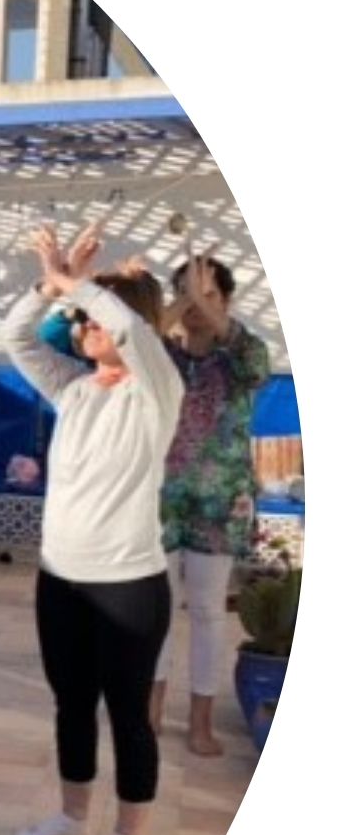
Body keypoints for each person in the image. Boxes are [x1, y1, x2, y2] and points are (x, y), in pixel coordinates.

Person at [4, 221, 184, 835]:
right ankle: (72, 816)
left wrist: (81, 282)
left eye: (90, 318)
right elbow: (16, 339)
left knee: (128, 714)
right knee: (70, 703)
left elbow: (137, 335)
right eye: (79, 318)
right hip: (60, 578)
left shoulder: (156, 391)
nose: (82, 327)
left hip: (128, 585)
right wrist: (46, 285)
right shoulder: (74, 388)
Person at [152, 249, 271, 755]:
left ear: (227, 301)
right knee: (155, 608)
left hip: (220, 505)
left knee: (205, 610)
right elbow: (135, 338)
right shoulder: (160, 356)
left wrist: (205, 304)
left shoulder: (242, 357)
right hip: (160, 500)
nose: (198, 305)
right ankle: (148, 713)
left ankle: (200, 722)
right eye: (187, 294)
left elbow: (258, 365)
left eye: (210, 296)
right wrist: (183, 298)